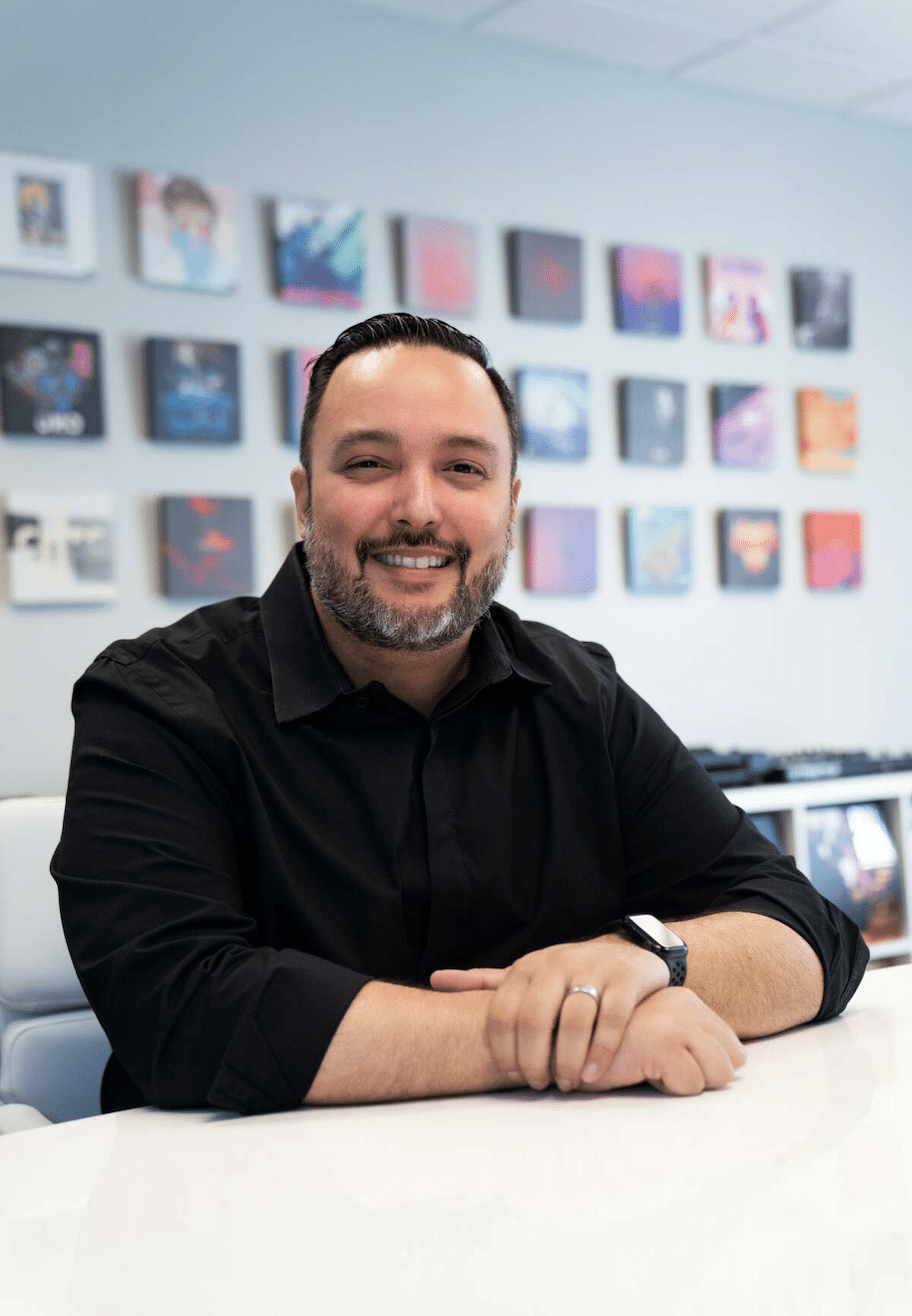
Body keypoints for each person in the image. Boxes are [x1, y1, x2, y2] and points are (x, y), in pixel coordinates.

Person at [53, 313, 868, 1116]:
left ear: (509, 504)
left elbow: (810, 931)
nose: (418, 509)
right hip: (243, 1219)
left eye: (464, 470)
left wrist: (649, 959)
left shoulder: (580, 694)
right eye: (369, 462)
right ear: (305, 497)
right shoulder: (155, 702)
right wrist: (564, 1027)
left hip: (556, 1205)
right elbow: (181, 1012)